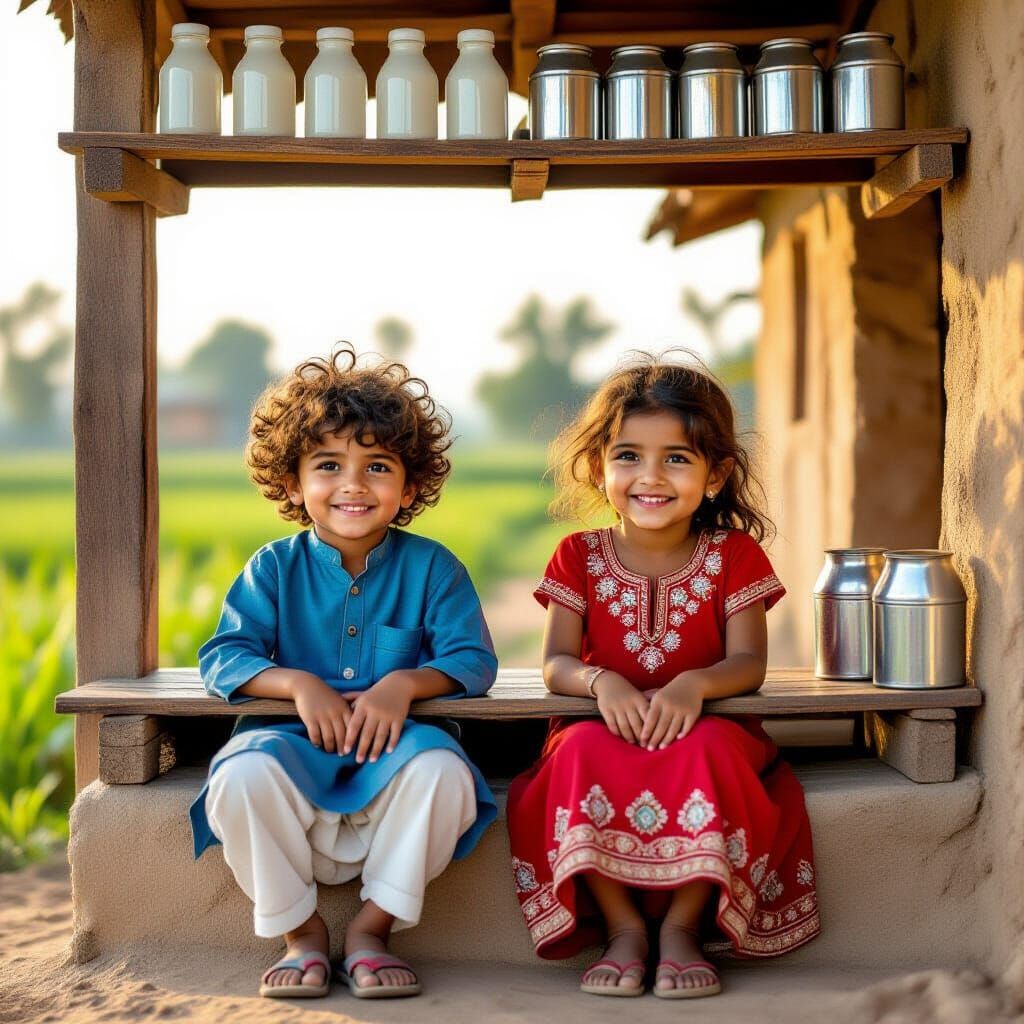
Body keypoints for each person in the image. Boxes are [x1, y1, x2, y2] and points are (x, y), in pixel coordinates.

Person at [188, 346, 498, 1000]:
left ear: (409, 487)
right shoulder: (272, 568)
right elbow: (224, 656)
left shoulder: (434, 568)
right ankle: (301, 936)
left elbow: (471, 660)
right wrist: (299, 684)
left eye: (377, 467)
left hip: (398, 763)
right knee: (237, 775)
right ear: (295, 484)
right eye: (329, 466)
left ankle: (370, 932)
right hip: (289, 757)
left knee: (447, 773)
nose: (353, 484)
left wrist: (404, 684)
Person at [506, 353, 819, 1000]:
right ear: (598, 467)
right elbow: (555, 663)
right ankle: (624, 929)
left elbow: (748, 664)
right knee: (581, 751)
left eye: (676, 458)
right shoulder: (578, 556)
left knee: (707, 751)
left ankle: (682, 927)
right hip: (600, 726)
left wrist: (693, 687)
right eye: (627, 456)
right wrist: (601, 683)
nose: (650, 476)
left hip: (713, 727)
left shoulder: (734, 555)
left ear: (716, 474)